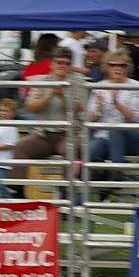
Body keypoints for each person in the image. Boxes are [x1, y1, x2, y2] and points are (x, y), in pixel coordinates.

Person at [9, 47, 86, 198]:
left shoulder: (78, 83)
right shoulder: (41, 81)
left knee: (71, 149)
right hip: (43, 134)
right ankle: (18, 191)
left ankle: (67, 195)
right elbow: (31, 107)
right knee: (21, 146)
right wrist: (50, 95)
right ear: (51, 64)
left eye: (66, 63)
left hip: (67, 134)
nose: (62, 66)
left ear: (70, 66)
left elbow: (78, 109)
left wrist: (63, 96)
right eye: (59, 62)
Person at [86, 49, 139, 185]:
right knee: (91, 150)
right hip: (103, 136)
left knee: (115, 130)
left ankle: (116, 170)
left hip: (133, 136)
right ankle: (103, 183)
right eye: (113, 65)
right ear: (106, 67)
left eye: (122, 65)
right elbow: (92, 119)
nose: (117, 68)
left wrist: (117, 104)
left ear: (128, 68)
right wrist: (99, 108)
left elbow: (134, 117)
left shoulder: (136, 87)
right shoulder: (99, 87)